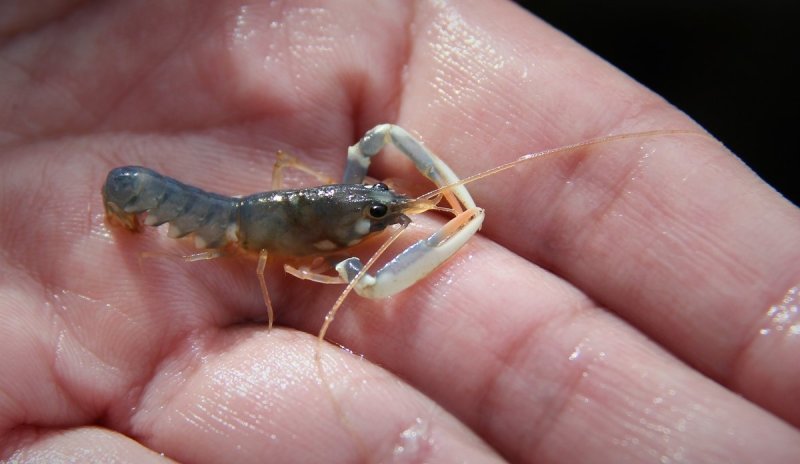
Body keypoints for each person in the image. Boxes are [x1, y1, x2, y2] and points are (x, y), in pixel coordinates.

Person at [1, 1, 798, 462]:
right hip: (202, 213)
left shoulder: (342, 206)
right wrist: (347, 268)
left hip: (246, 211)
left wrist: (393, 207)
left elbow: (370, 161)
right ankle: (131, 202)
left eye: (379, 208)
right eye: (376, 211)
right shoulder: (295, 247)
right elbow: (354, 279)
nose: (384, 211)